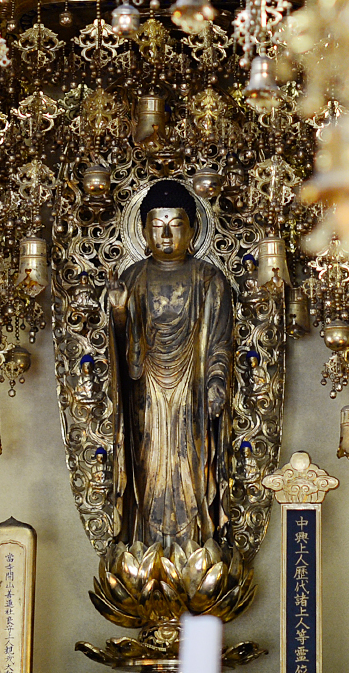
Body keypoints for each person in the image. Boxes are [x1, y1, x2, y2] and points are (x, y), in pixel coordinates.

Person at [106, 179, 236, 545]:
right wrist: (119, 313)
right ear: (143, 230)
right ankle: (145, 545)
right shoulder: (133, 277)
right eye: (157, 225)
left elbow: (220, 342)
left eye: (176, 225)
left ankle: (195, 544)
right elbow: (121, 354)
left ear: (192, 230)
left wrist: (216, 383)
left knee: (192, 467)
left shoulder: (209, 279)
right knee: (147, 468)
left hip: (191, 394)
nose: (166, 235)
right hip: (145, 395)